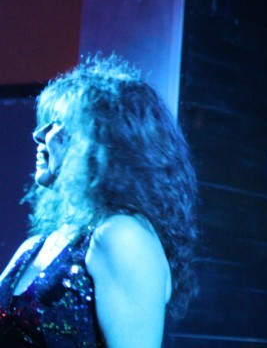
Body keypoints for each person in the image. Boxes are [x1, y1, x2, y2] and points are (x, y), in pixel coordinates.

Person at [0, 55, 199, 347]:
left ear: (104, 142)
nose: (38, 135)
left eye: (57, 124)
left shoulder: (123, 236)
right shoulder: (33, 247)